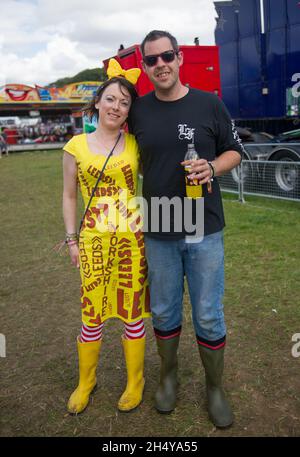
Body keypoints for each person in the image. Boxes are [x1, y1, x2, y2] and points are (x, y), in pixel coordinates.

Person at [130, 30, 244, 428]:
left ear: (179, 59)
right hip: (160, 221)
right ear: (144, 67)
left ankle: (215, 388)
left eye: (167, 56)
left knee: (209, 314)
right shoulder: (138, 110)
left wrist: (212, 166)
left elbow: (236, 151)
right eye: (151, 60)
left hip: (204, 226)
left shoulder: (209, 103)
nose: (160, 64)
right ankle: (168, 376)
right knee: (162, 310)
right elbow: (119, 149)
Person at [62, 60, 151, 415]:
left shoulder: (134, 143)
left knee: (132, 313)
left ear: (130, 110)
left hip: (132, 240)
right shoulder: (75, 146)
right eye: (111, 99)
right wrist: (72, 240)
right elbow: (70, 196)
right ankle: (86, 381)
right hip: (93, 241)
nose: (116, 107)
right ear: (98, 102)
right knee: (92, 314)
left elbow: (158, 175)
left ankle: (135, 381)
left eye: (124, 102)